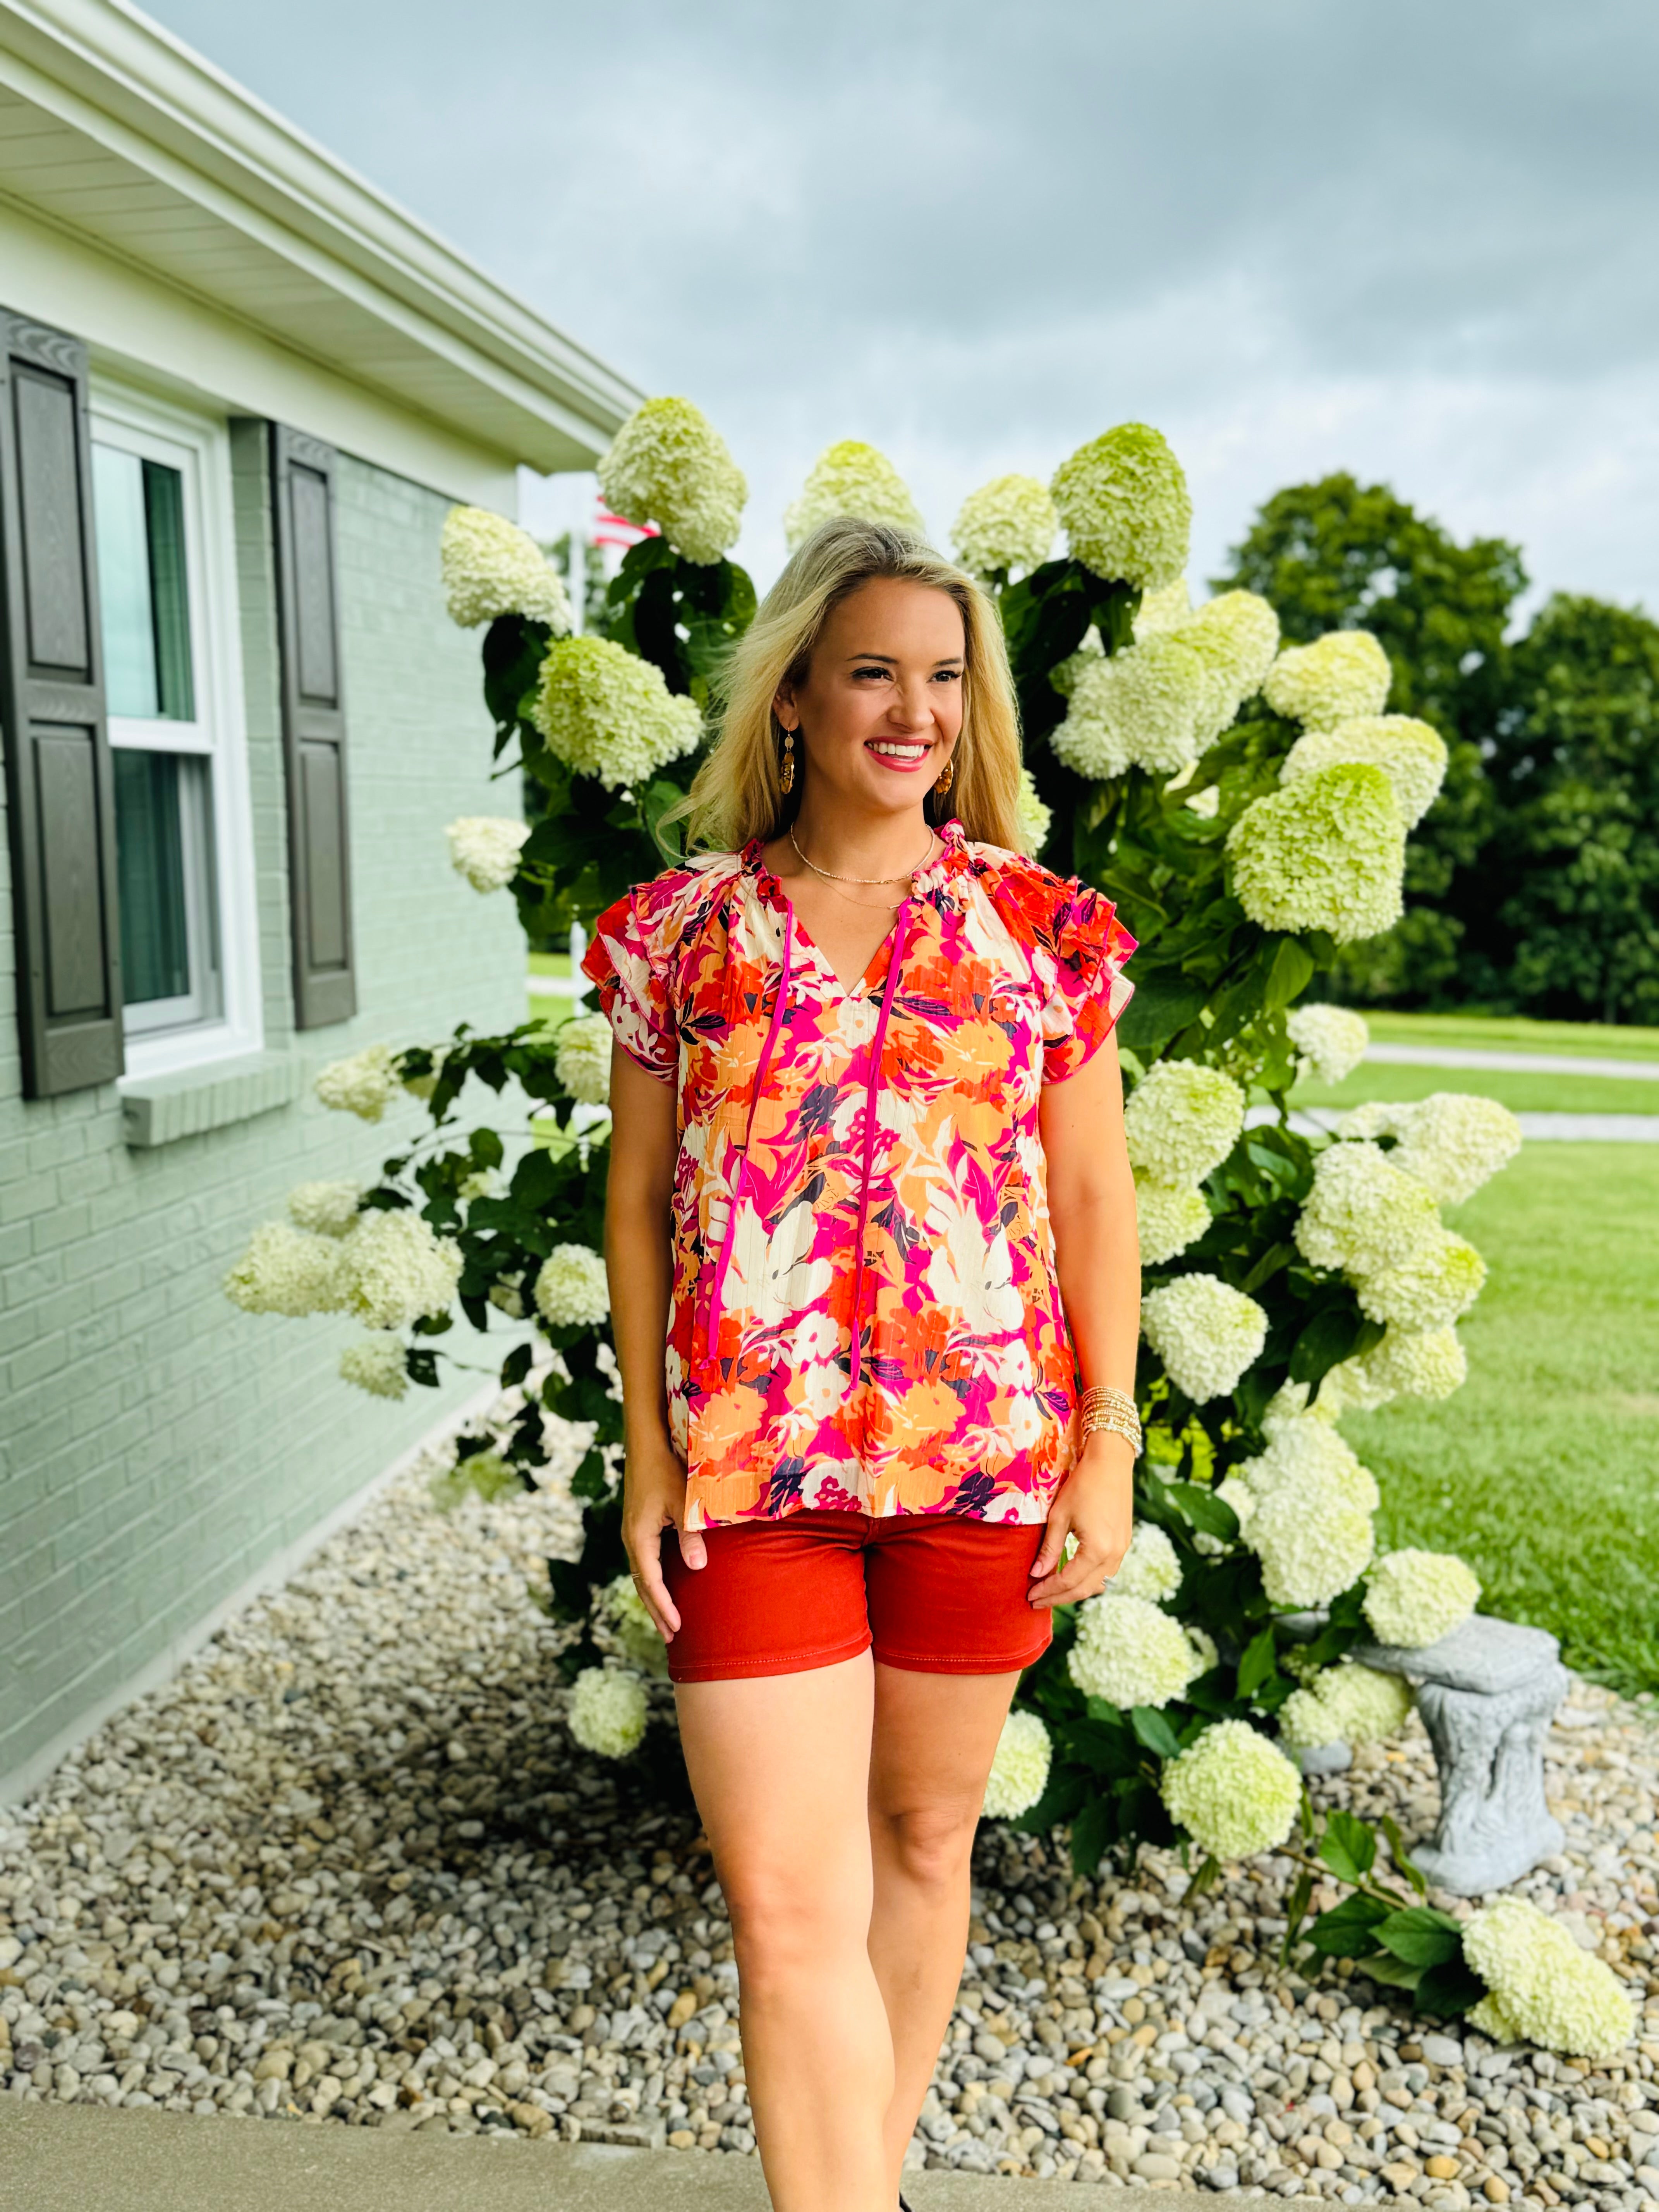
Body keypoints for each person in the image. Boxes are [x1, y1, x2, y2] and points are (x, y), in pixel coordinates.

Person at [582, 516, 1141, 2212]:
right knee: (785, 1900)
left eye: (946, 678)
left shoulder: (1041, 931)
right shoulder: (678, 937)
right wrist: (653, 1453)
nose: (913, 709)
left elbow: (1096, 1191)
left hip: (985, 1467)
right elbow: (632, 1212)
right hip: (753, 1487)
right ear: (800, 702)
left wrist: (1107, 1442)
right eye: (875, 673)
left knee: (920, 1845)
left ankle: (860, 2187)